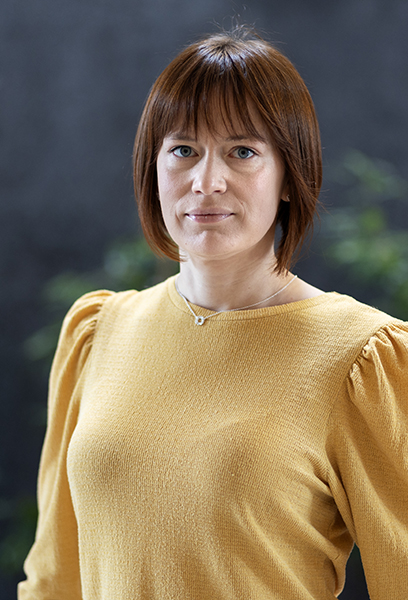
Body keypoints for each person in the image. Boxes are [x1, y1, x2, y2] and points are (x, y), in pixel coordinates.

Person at [18, 26, 408, 600]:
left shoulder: (362, 357)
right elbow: (54, 579)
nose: (206, 181)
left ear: (288, 177)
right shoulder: (97, 332)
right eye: (183, 150)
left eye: (242, 152)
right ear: (153, 167)